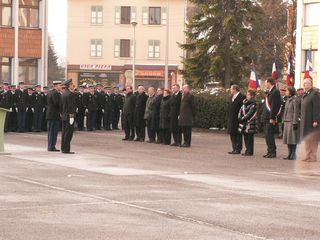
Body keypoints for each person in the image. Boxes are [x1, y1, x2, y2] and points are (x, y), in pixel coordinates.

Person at [300, 78, 320, 162]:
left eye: (306, 83)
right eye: (304, 83)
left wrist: (315, 120)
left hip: (311, 121)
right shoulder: (306, 94)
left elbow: (317, 107)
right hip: (305, 120)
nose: (304, 85)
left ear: (310, 84)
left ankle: (313, 156)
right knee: (307, 138)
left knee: (313, 139)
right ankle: (308, 155)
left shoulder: (314, 94)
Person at [262, 78, 282, 158]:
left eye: (266, 83)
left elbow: (274, 106)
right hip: (267, 117)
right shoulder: (270, 92)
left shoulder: (275, 92)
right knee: (267, 135)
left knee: (269, 135)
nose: (265, 85)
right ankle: (269, 151)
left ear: (270, 83)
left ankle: (272, 152)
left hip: (270, 117)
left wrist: (272, 117)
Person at [238, 89, 258, 156]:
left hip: (250, 122)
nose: (247, 95)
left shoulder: (253, 104)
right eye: (247, 94)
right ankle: (247, 150)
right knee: (245, 137)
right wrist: (239, 117)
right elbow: (240, 111)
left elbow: (250, 113)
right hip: (244, 122)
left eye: (248, 94)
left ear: (252, 96)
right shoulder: (244, 103)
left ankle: (250, 151)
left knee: (249, 138)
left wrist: (243, 118)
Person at [282, 87, 299, 160]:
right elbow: (285, 111)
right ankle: (289, 153)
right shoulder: (288, 99)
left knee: (292, 139)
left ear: (291, 92)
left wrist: (295, 122)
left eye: (287, 91)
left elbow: (296, 112)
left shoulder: (295, 100)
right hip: (286, 121)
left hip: (292, 121)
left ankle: (293, 154)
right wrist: (283, 121)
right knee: (288, 139)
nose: (286, 92)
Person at [227, 85, 245, 154]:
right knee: (232, 133)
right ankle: (234, 148)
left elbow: (243, 109)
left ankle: (238, 149)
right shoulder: (231, 97)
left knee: (238, 134)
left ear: (235, 89)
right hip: (231, 118)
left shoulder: (242, 97)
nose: (230, 90)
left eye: (231, 89)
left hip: (238, 119)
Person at [61, 79, 76, 154]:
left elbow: (62, 106)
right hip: (69, 116)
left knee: (64, 133)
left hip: (64, 115)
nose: (73, 86)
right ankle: (66, 149)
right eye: (72, 85)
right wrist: (71, 117)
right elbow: (71, 107)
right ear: (69, 86)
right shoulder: (70, 94)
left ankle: (63, 148)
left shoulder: (63, 93)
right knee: (68, 133)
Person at [46, 81, 62, 152]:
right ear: (55, 86)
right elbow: (57, 103)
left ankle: (51, 146)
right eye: (60, 85)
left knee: (51, 132)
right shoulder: (56, 93)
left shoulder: (50, 92)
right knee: (53, 132)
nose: (61, 87)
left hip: (51, 114)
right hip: (53, 115)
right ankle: (51, 146)